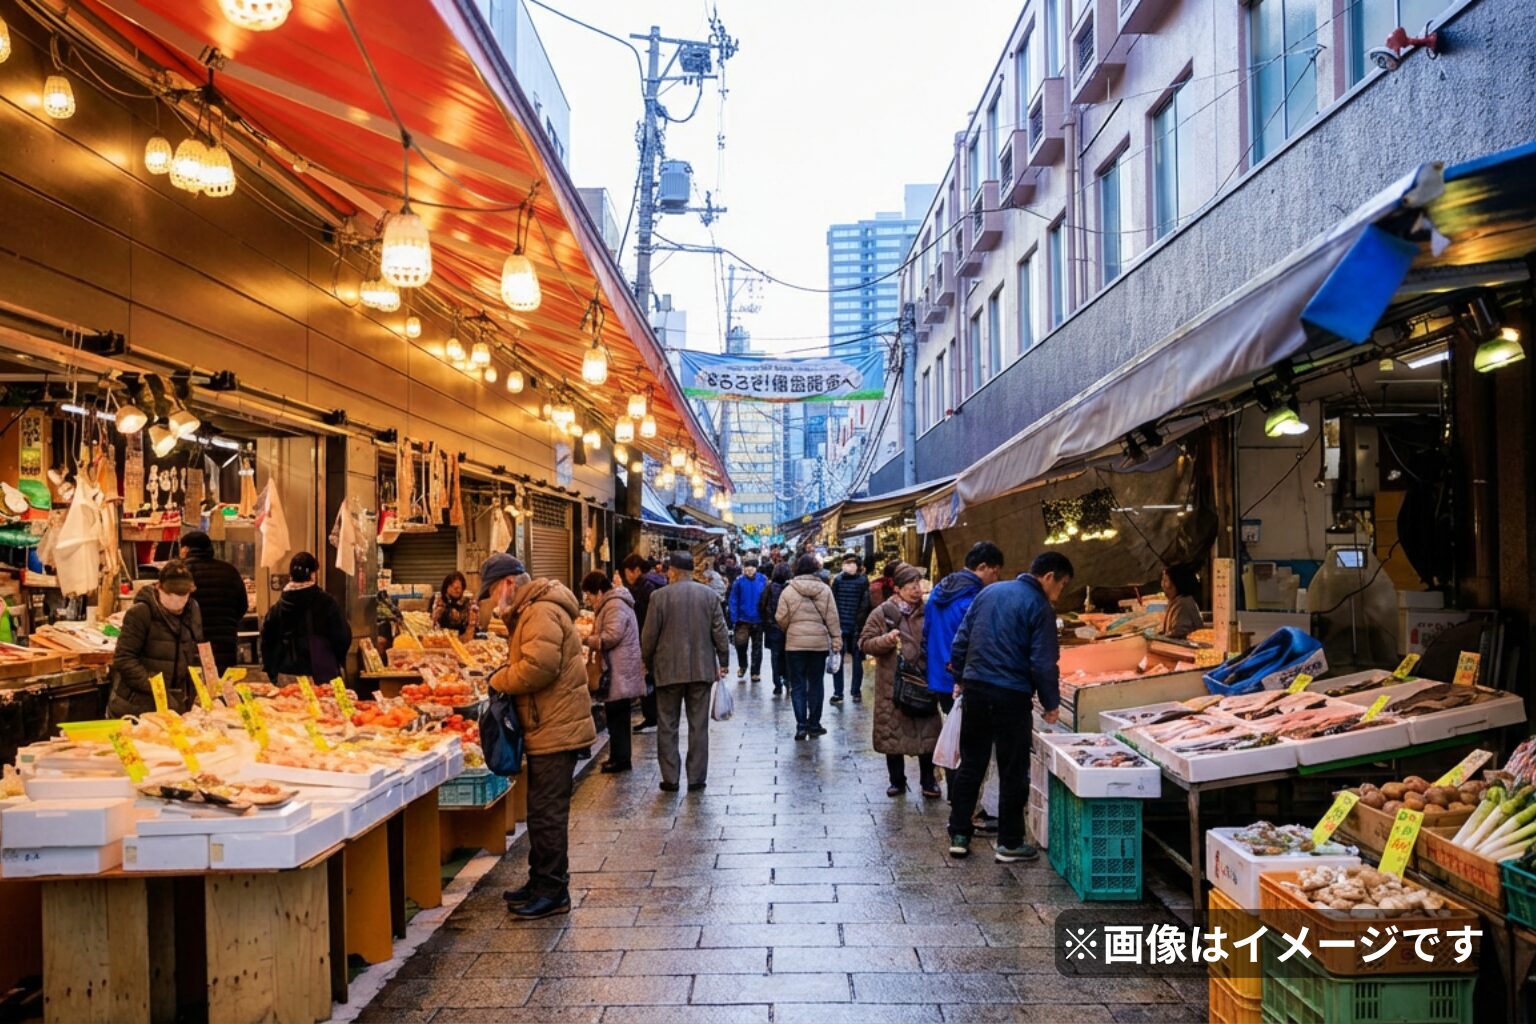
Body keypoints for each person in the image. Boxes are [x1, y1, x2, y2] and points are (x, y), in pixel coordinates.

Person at [483, 554, 595, 920]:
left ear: (508, 584)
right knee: (540, 811)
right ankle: (540, 881)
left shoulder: (539, 612)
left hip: (555, 726)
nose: (493, 600)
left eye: (493, 591)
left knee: (547, 814)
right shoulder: (531, 610)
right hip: (549, 724)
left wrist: (498, 679)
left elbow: (538, 668)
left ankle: (553, 891)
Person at [945, 551, 1072, 863]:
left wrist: (960, 677)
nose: (1060, 593)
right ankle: (1010, 843)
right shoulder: (1039, 606)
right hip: (1011, 695)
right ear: (1049, 577)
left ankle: (959, 834)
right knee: (1013, 769)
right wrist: (1051, 702)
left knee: (971, 763)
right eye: (1062, 585)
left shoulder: (989, 592)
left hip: (976, 690)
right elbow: (1043, 662)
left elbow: (961, 640)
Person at [926, 541, 1007, 830]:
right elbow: (979, 641)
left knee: (955, 741)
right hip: (964, 679)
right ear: (983, 567)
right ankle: (966, 810)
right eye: (995, 573)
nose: (995, 579)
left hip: (939, 676)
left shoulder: (938, 592)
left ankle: (958, 801)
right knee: (970, 748)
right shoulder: (974, 599)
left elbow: (927, 632)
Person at [640, 551, 728, 792]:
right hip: (701, 668)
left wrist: (646, 661)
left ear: (672, 571)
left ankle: (670, 778)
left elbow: (649, 636)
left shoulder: (659, 597)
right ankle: (697, 777)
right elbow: (720, 631)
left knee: (667, 724)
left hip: (667, 669)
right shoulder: (709, 595)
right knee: (698, 725)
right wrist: (723, 660)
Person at [861, 563, 942, 798]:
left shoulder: (928, 611)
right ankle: (897, 781)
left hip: (923, 681)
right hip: (892, 685)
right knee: (892, 733)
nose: (917, 590)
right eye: (911, 585)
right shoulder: (883, 613)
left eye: (918, 584)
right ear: (897, 588)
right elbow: (864, 643)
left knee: (927, 732)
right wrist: (886, 640)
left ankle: (928, 781)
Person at [109, 559, 204, 716]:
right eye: (171, 594)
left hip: (176, 705)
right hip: (136, 705)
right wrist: (158, 689)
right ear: (159, 588)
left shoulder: (192, 610)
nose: (177, 601)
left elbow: (195, 653)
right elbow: (124, 659)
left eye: (183, 595)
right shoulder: (140, 613)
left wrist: (200, 689)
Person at [581, 571, 646, 774]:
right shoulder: (613, 603)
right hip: (619, 666)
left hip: (619, 668)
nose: (589, 600)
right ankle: (618, 756)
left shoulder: (614, 605)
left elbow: (611, 636)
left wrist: (586, 640)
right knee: (616, 714)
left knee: (617, 714)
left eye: (590, 595)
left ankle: (621, 759)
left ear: (599, 592)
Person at [775, 554, 842, 741]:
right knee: (816, 683)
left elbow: (780, 617)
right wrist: (836, 638)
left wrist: (791, 628)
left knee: (797, 685)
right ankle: (814, 725)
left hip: (795, 645)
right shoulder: (825, 590)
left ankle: (801, 727)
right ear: (815, 570)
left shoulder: (788, 590)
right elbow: (832, 617)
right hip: (818, 644)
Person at [260, 552, 352, 684]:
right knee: (324, 699)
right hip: (321, 674)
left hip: (286, 675)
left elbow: (267, 641)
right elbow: (342, 637)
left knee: (291, 699)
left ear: (291, 575)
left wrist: (272, 671)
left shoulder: (278, 608)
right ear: (313, 575)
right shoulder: (326, 603)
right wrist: (335, 659)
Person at [178, 530, 248, 674]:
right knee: (222, 683)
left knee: (195, 684)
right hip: (225, 644)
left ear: (186, 549)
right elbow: (242, 606)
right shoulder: (230, 571)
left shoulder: (181, 572)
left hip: (192, 645)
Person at [622, 554, 664, 732]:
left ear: (637, 570)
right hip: (645, 636)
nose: (626, 577)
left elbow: (645, 616)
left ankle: (653, 717)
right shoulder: (647, 585)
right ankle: (652, 716)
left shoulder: (646, 588)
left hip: (646, 637)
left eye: (627, 573)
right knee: (648, 677)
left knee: (648, 677)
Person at [829, 553, 872, 705]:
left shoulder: (839, 580)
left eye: (851, 562)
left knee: (844, 658)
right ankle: (852, 691)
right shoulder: (861, 581)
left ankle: (842, 692)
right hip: (851, 626)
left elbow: (833, 603)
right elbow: (865, 605)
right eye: (848, 562)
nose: (849, 565)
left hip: (847, 626)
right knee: (852, 658)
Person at [727, 558, 767, 681]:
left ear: (756, 568)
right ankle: (743, 665)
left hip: (758, 620)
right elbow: (733, 600)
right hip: (742, 620)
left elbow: (766, 598)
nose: (749, 570)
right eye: (747, 567)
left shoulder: (763, 580)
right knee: (741, 646)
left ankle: (755, 672)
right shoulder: (739, 581)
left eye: (752, 567)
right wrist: (734, 618)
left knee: (757, 648)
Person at [759, 562, 793, 695]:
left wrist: (767, 622)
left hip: (773, 627)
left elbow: (762, 606)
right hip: (788, 628)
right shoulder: (790, 588)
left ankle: (777, 684)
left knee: (775, 656)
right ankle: (788, 681)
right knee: (788, 656)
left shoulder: (769, 587)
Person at [431, 570, 479, 640]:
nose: (456, 590)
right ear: (446, 587)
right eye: (452, 587)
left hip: (464, 639)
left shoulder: (469, 602)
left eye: (458, 588)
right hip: (441, 638)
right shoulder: (439, 599)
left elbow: (473, 626)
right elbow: (432, 623)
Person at [1161, 563, 1204, 640]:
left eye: (1166, 581)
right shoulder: (1178, 601)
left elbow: (1178, 635)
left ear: (1176, 584)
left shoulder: (1182, 605)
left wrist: (1157, 639)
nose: (1162, 585)